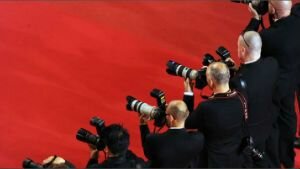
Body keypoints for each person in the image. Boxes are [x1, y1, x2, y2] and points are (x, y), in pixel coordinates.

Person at [244, 1, 300, 167]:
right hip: (293, 78)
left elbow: (247, 44)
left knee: (273, 124)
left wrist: (255, 19)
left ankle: (273, 161)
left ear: (273, 10)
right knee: (289, 118)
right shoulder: (297, 19)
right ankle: (288, 159)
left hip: (275, 87)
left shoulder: (268, 37)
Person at [230, 31, 279, 167]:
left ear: (243, 50)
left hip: (247, 134)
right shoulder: (272, 64)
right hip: (268, 125)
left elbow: (236, 110)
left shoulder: (238, 81)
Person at [183, 62, 245, 168]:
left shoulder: (206, 107)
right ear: (228, 76)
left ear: (211, 82)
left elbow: (187, 122)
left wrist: (188, 93)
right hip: (236, 158)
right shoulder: (240, 98)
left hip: (212, 161)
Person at [139, 100, 205, 168]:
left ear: (171, 118)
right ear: (187, 114)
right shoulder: (198, 139)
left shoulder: (154, 140)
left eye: (166, 114)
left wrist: (143, 124)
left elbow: (147, 153)